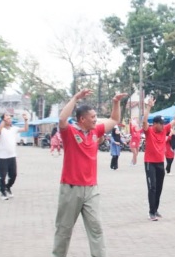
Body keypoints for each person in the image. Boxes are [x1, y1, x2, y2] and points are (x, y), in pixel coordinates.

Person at [52, 89, 126, 256]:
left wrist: (116, 102)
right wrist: (76, 98)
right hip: (71, 189)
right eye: (92, 117)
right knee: (64, 230)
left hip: (91, 190)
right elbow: (62, 119)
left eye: (95, 117)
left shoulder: (95, 132)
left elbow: (114, 119)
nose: (95, 120)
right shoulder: (70, 132)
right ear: (82, 119)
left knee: (96, 229)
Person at [143, 97, 175, 221]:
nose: (162, 125)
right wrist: (149, 107)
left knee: (159, 187)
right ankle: (151, 213)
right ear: (154, 124)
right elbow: (144, 121)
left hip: (160, 163)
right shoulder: (149, 131)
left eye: (163, 123)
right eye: (160, 123)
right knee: (152, 187)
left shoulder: (164, 130)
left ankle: (155, 209)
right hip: (150, 163)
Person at [0, 112, 29, 200]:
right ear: (3, 120)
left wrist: (26, 120)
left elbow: (25, 129)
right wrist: (3, 120)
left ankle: (7, 187)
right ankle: (2, 192)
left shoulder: (14, 128)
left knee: (13, 175)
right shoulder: (1, 129)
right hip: (2, 157)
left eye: (10, 118)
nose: (10, 119)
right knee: (2, 176)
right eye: (7, 118)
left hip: (12, 156)